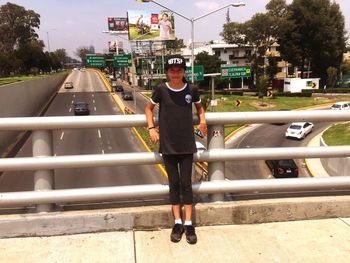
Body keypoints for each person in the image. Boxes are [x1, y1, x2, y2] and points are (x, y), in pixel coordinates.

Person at [145, 55, 207, 245]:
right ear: (167, 72)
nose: (176, 73)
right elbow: (148, 109)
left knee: (186, 183)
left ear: (184, 72)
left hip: (187, 143)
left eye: (179, 70)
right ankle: (177, 222)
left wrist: (203, 122)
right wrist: (151, 128)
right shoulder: (161, 90)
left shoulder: (192, 89)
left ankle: (189, 223)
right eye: (172, 70)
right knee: (174, 184)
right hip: (168, 145)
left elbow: (200, 109)